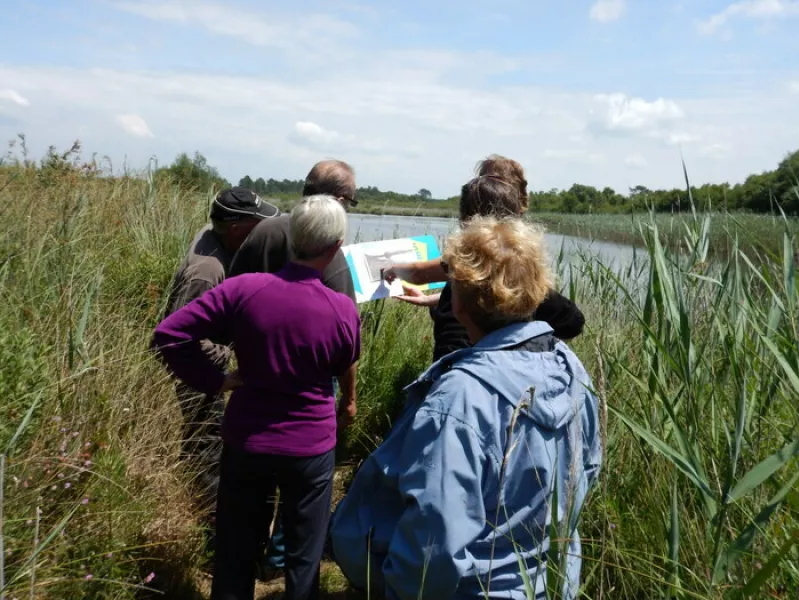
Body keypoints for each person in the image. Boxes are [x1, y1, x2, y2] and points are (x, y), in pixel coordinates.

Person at [329, 216, 602, 600]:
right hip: (550, 583)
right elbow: (587, 471)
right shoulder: (570, 369)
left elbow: (433, 541)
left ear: (457, 304)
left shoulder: (459, 396)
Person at [152, 195, 361, 600]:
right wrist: (345, 401)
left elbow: (169, 335)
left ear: (292, 236)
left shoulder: (243, 289)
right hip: (309, 447)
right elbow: (342, 363)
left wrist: (216, 381)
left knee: (236, 547)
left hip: (247, 438)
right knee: (305, 552)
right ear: (336, 248)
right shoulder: (341, 309)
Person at [227, 159, 359, 574]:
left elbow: (231, 296)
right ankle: (282, 556)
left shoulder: (263, 231)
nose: (351, 207)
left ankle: (251, 554)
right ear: (336, 199)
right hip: (311, 386)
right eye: (351, 200)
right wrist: (350, 396)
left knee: (255, 475)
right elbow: (346, 343)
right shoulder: (331, 252)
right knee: (303, 479)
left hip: (255, 377)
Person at [385, 156, 585, 361]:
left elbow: (421, 273)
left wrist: (390, 270)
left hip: (459, 369)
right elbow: (570, 321)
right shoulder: (523, 271)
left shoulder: (462, 263)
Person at [163, 186, 280, 511]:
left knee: (203, 437)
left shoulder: (216, 236)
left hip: (205, 363)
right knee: (208, 441)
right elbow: (177, 334)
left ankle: (195, 503)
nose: (263, 230)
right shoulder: (208, 270)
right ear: (236, 228)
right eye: (258, 224)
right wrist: (225, 359)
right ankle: (211, 524)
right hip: (196, 367)